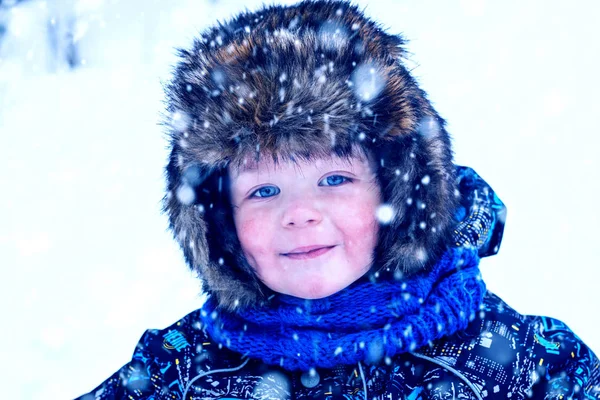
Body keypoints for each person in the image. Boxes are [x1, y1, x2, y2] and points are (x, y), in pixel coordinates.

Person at [76, 1, 600, 399]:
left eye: (334, 180)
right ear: (219, 223)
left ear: (398, 193)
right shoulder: (180, 374)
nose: (299, 213)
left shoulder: (520, 366)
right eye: (263, 190)